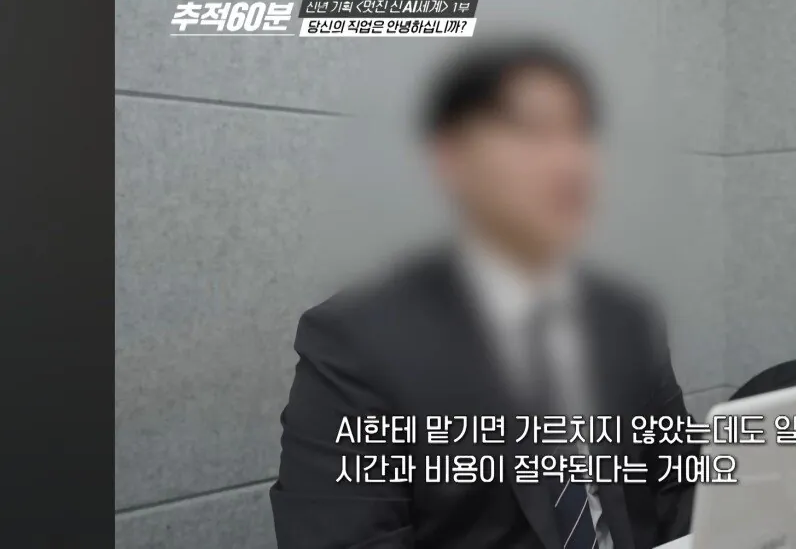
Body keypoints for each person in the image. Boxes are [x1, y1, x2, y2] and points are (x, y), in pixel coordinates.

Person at [269, 37, 697, 549]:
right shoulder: (356, 343)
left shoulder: (628, 318)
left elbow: (682, 488)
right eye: (531, 133)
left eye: (580, 133)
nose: (567, 162)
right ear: (452, 159)